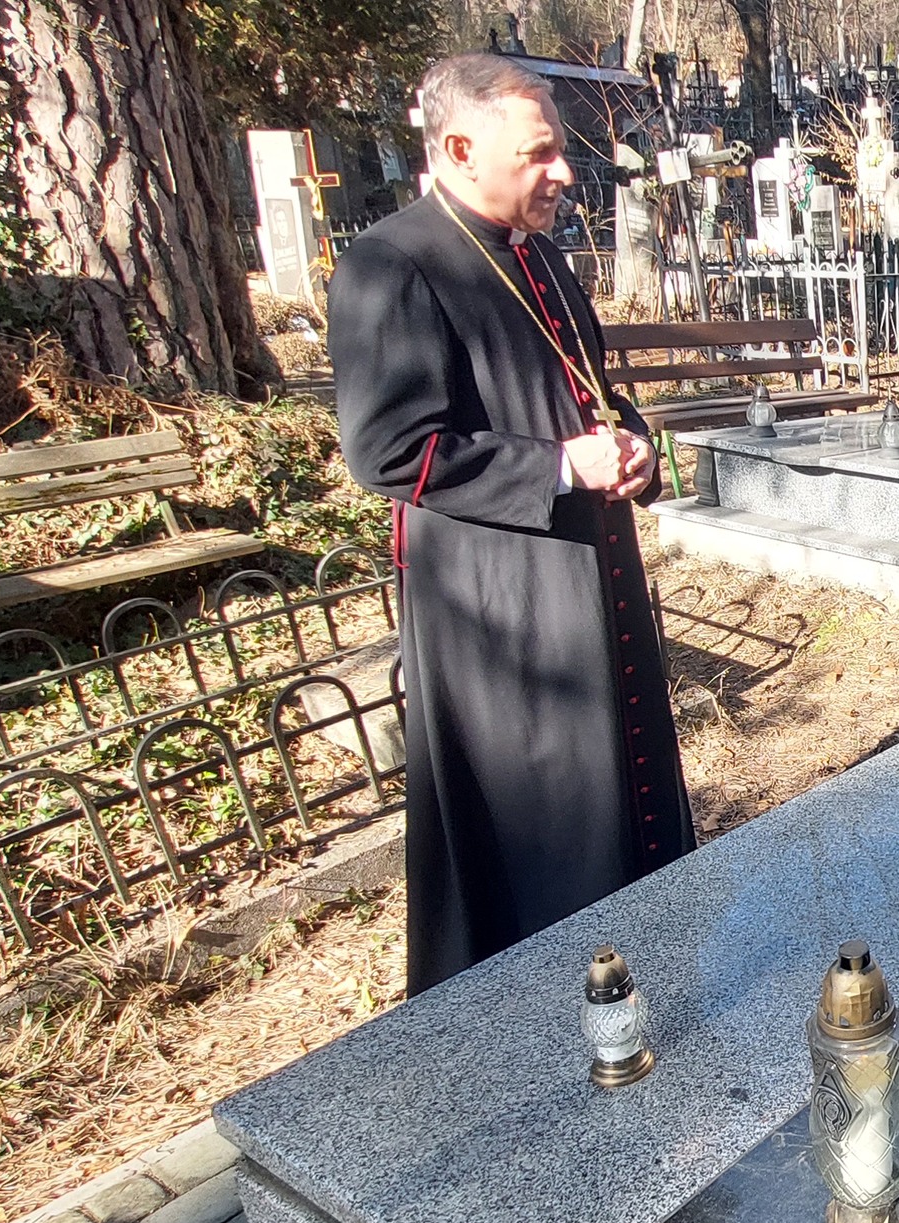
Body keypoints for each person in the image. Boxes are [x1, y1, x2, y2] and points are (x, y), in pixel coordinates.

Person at [331, 53, 696, 992]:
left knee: (622, 791)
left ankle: (637, 973)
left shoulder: (542, 258)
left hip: (591, 570)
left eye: (558, 151)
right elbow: (389, 450)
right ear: (459, 150)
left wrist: (633, 446)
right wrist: (561, 467)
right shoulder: (393, 265)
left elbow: (591, 396)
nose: (563, 172)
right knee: (546, 819)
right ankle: (537, 1004)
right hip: (500, 599)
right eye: (538, 154)